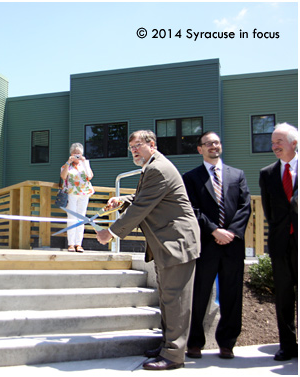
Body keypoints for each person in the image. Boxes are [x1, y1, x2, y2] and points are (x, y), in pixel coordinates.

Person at [96, 130, 200, 371]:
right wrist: (122, 200)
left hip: (177, 244)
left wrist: (110, 232)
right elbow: (145, 197)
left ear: (151, 144)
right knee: (167, 299)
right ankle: (168, 345)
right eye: (131, 147)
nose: (133, 150)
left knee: (176, 301)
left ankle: (174, 355)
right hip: (167, 245)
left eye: (138, 146)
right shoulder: (153, 166)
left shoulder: (157, 168)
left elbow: (143, 207)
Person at [182, 132, 251, 360]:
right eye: (208, 143)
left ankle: (227, 343)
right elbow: (193, 210)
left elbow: (244, 207)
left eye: (217, 142)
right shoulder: (191, 178)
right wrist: (214, 231)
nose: (214, 146)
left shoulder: (237, 175)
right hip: (206, 245)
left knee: (232, 295)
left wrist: (230, 233)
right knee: (199, 295)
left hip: (232, 245)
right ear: (200, 149)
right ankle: (194, 343)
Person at [259, 123, 298, 362]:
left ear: (294, 144)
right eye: (272, 142)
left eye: (279, 142)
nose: (274, 146)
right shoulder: (267, 174)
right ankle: (287, 345)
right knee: (284, 296)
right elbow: (269, 211)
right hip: (281, 244)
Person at [60, 142, 94, 252]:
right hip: (71, 193)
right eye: (74, 153)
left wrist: (84, 162)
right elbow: (63, 176)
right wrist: (68, 162)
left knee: (81, 218)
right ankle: (71, 243)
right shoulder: (66, 165)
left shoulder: (85, 164)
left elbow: (90, 176)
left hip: (84, 193)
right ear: (71, 154)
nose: (76, 155)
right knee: (71, 218)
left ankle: (79, 244)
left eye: (78, 153)